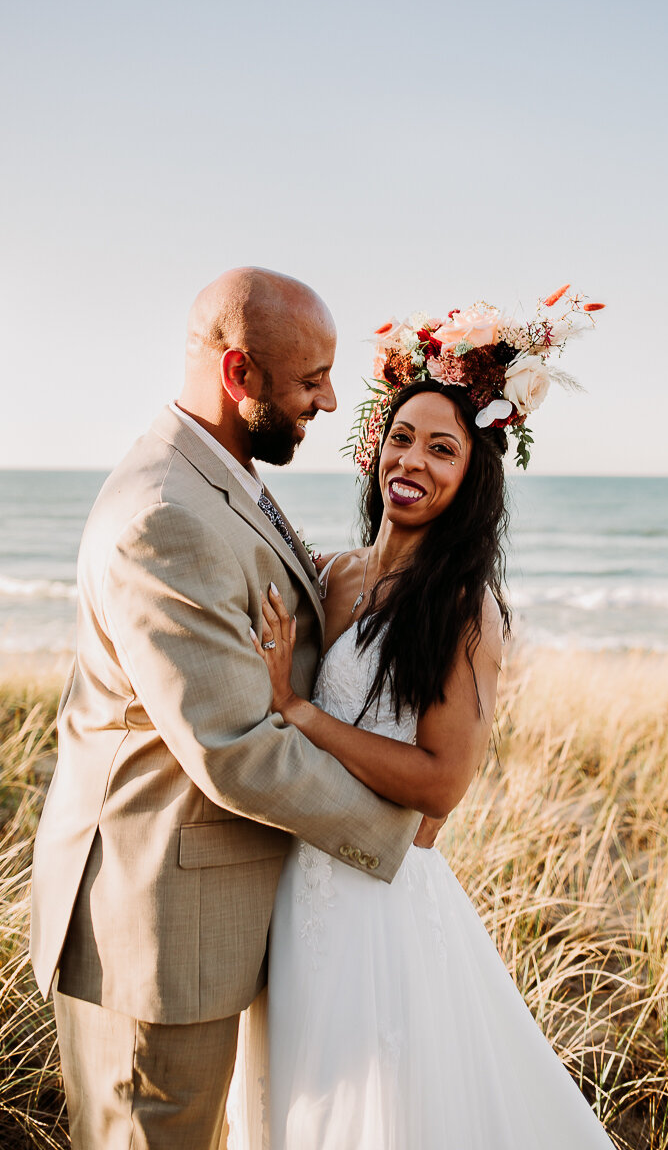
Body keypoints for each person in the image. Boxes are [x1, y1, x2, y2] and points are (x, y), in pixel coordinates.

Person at [29, 267, 423, 1150]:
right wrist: (398, 828)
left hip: (209, 916)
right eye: (310, 378)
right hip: (156, 933)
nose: (329, 401)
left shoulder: (220, 475)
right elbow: (234, 745)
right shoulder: (163, 513)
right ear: (240, 375)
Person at [227, 374, 616, 1145]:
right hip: (286, 881)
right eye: (402, 437)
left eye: (443, 449)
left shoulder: (465, 609)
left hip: (377, 899)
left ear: (472, 477)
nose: (414, 460)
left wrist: (300, 712)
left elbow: (442, 784)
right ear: (377, 448)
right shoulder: (330, 575)